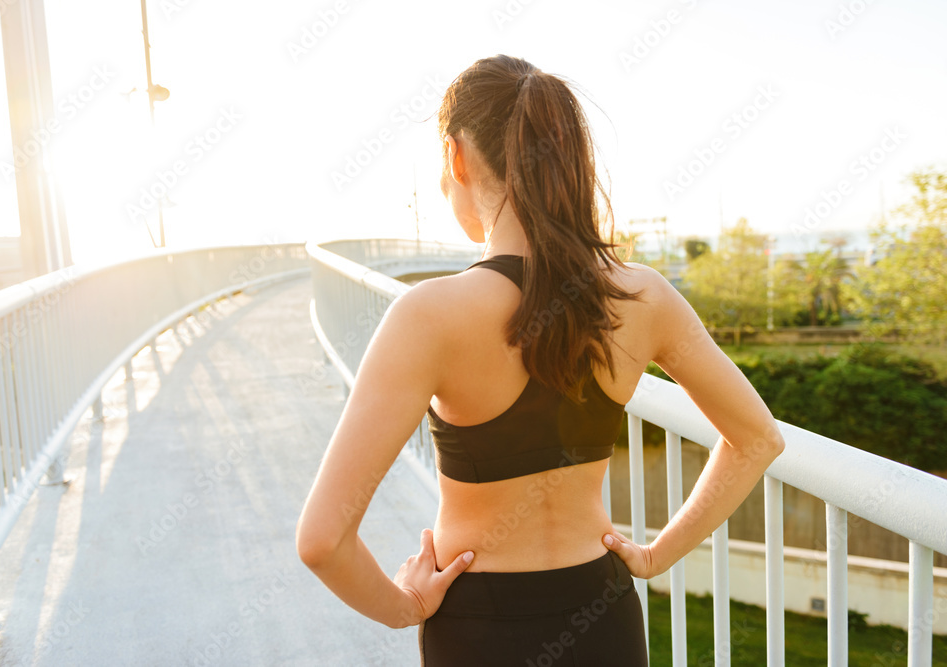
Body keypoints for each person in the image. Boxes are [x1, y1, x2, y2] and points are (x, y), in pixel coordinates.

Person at [296, 54, 785, 666]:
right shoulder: (643, 297)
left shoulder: (429, 317)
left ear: (456, 158)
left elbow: (322, 541)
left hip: (479, 630)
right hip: (604, 614)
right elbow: (757, 439)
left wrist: (409, 607)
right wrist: (658, 555)